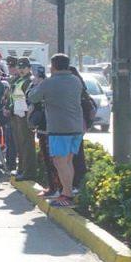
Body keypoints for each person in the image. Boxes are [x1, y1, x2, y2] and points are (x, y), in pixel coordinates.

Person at [28, 54, 83, 207]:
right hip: (76, 127)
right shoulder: (76, 80)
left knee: (59, 162)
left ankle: (67, 195)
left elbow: (33, 98)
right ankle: (69, 190)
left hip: (59, 128)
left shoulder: (49, 82)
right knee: (68, 162)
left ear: (54, 66)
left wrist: (37, 83)